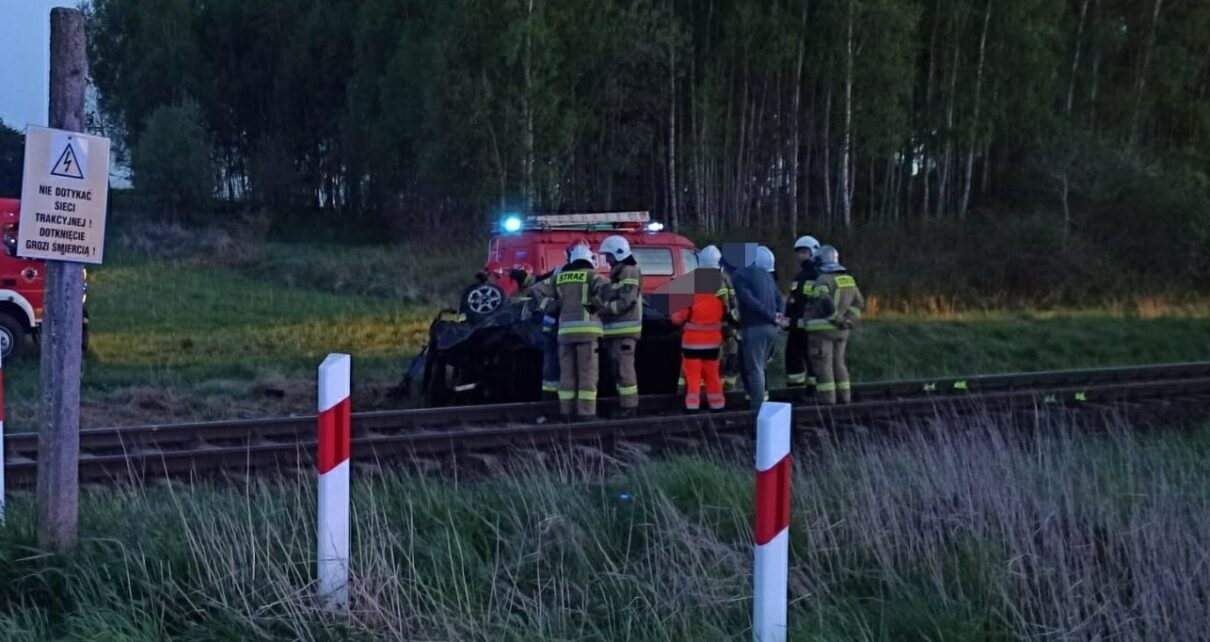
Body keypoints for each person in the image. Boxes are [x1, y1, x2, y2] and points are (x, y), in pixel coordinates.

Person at [552, 243, 611, 420]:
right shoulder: (592, 275)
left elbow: (539, 291)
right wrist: (598, 306)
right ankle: (586, 413)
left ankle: (566, 411)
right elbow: (608, 290)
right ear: (589, 259)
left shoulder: (560, 277)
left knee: (566, 374)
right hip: (587, 333)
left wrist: (549, 308)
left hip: (564, 334)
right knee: (587, 374)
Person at [801, 245, 864, 404]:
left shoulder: (823, 279)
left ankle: (827, 399)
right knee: (839, 364)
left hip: (821, 330)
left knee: (823, 365)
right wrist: (849, 319)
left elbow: (822, 299)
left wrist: (835, 317)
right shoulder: (849, 280)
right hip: (842, 331)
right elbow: (859, 302)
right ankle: (845, 397)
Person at [670, 250, 730, 412]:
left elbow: (677, 317)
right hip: (713, 343)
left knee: (693, 377)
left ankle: (692, 406)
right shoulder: (719, 292)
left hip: (692, 344)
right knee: (713, 376)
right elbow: (727, 313)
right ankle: (718, 405)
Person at [731, 245, 783, 408]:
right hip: (772, 328)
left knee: (755, 370)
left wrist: (768, 315)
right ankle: (761, 402)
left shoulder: (740, 274)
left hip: (754, 327)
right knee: (761, 366)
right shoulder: (767, 275)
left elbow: (747, 300)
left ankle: (757, 408)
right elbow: (779, 298)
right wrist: (777, 316)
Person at [598, 235, 643, 418]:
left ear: (618, 254)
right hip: (616, 331)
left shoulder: (629, 271)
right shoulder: (619, 272)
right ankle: (623, 404)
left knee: (624, 369)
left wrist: (604, 309)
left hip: (625, 330)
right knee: (618, 369)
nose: (607, 260)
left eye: (608, 255)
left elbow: (627, 300)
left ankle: (629, 407)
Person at [784, 235, 821, 393]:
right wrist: (787, 318)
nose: (800, 256)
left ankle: (813, 389)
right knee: (792, 354)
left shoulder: (818, 275)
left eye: (804, 252)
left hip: (810, 325)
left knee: (810, 357)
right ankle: (796, 388)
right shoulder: (799, 276)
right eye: (798, 253)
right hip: (796, 325)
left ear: (813, 252)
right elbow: (794, 300)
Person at [529, 263, 563, 400]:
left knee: (551, 362)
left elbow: (535, 287)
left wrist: (548, 306)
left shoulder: (559, 270)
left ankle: (549, 398)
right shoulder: (584, 274)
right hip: (561, 325)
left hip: (552, 324)